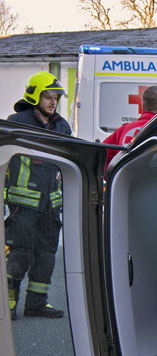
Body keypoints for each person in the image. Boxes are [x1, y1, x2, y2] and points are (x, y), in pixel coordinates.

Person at [5, 72, 72, 319]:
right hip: (22, 203)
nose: (53, 101)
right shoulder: (17, 121)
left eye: (55, 97)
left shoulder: (62, 125)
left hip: (50, 205)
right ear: (34, 95)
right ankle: (9, 301)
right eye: (47, 96)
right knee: (20, 252)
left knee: (46, 255)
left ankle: (36, 303)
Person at [103, 85, 157, 173]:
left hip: (123, 182)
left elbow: (103, 152)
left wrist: (112, 176)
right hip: (155, 181)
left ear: (142, 104)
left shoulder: (123, 129)